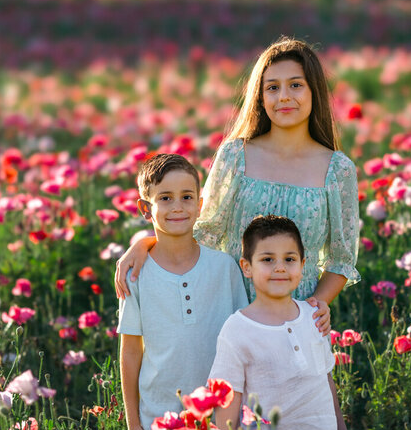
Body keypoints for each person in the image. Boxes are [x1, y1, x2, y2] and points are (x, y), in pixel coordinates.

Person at [114, 37, 360, 328]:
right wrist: (146, 244)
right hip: (227, 315)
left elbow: (340, 260)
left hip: (296, 322)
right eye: (272, 87)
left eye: (295, 85)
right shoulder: (235, 155)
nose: (283, 96)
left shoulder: (338, 169)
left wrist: (315, 306)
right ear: (260, 96)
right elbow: (203, 231)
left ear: (314, 91)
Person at [117, 153, 248, 430]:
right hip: (161, 420)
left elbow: (244, 345)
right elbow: (131, 352)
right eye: (165, 198)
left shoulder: (224, 268)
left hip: (218, 420)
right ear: (145, 209)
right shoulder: (136, 275)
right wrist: (134, 423)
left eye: (187, 197)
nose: (178, 207)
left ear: (200, 204)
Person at [209, 216, 347, 430]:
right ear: (246, 267)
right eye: (268, 259)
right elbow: (228, 398)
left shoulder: (314, 316)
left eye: (289, 259)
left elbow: (325, 381)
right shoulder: (237, 328)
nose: (280, 267)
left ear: (303, 265)